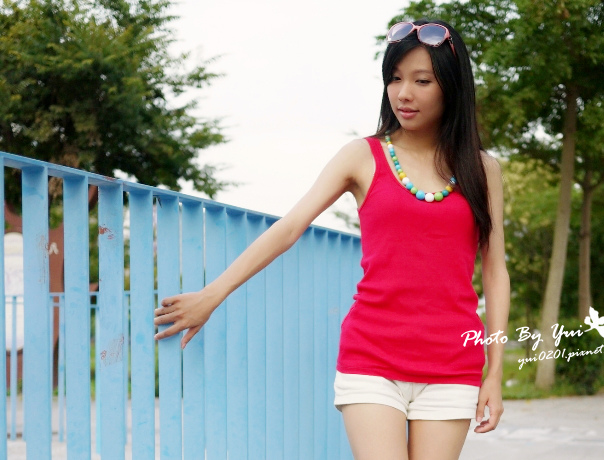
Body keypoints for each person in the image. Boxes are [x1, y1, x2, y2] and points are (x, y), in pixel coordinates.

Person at [154, 17, 510, 460]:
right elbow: (289, 228)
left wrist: (495, 371)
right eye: (394, 78)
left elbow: (495, 272)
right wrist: (213, 294)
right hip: (372, 357)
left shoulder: (482, 170)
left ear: (451, 86)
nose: (403, 93)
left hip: (452, 362)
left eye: (422, 81)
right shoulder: (362, 156)